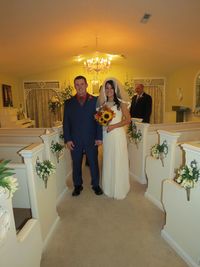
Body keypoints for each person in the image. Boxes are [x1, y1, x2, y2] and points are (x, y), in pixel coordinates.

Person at [63, 75, 103, 196]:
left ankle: (96, 185)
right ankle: (77, 185)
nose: (79, 87)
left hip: (91, 138)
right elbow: (66, 123)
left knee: (93, 163)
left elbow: (99, 121)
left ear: (86, 85)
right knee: (76, 164)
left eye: (82, 84)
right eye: (77, 84)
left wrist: (99, 137)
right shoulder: (69, 103)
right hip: (75, 139)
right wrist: (68, 139)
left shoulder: (95, 100)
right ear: (74, 86)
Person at [97, 78, 131, 199]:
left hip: (117, 135)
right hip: (107, 136)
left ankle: (119, 188)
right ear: (104, 90)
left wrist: (113, 126)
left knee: (118, 159)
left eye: (111, 88)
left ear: (115, 89)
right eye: (107, 88)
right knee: (108, 159)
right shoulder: (103, 105)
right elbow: (100, 121)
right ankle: (109, 187)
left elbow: (128, 120)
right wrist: (102, 123)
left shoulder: (121, 103)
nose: (109, 90)